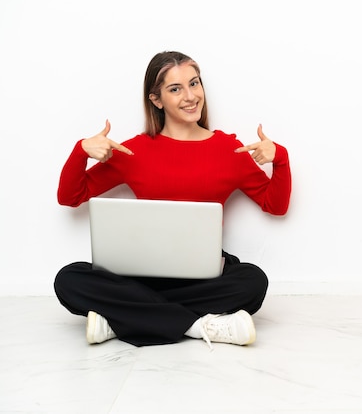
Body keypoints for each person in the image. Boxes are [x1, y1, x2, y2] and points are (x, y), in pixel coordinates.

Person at [54, 51, 291, 349]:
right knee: (69, 279)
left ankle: (120, 319)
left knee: (253, 281)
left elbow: (275, 205)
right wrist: (81, 151)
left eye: (194, 83)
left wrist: (280, 158)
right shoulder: (133, 152)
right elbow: (70, 197)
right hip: (142, 272)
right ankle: (199, 326)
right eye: (175, 89)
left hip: (202, 274)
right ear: (156, 99)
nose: (190, 96)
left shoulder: (230, 150)